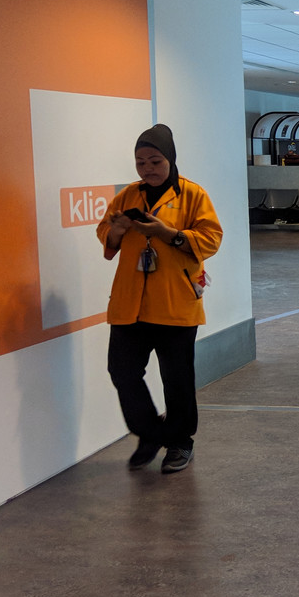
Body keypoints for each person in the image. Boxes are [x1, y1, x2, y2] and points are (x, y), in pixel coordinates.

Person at [96, 124, 223, 474]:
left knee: (177, 378)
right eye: (140, 163)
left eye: (155, 161)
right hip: (130, 304)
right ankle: (150, 434)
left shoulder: (193, 194)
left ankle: (180, 442)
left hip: (175, 302)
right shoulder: (127, 196)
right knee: (122, 371)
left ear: (170, 159)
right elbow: (105, 233)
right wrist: (116, 230)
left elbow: (211, 239)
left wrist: (168, 234)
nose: (147, 169)